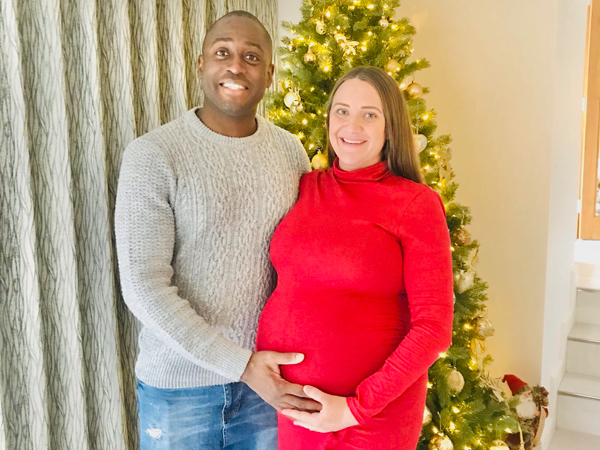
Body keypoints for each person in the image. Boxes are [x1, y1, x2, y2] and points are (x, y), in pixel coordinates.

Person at [115, 11, 319, 450]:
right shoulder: (153, 156)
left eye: (251, 56)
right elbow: (143, 288)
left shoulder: (290, 151)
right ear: (200, 64)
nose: (235, 66)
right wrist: (240, 364)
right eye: (222, 52)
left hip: (271, 386)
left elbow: (303, 264)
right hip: (180, 391)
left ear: (269, 74)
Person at [256, 66, 455, 450]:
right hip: (296, 408)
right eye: (342, 111)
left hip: (372, 418)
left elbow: (433, 327)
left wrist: (356, 408)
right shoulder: (304, 187)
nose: (352, 125)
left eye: (370, 114)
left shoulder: (415, 204)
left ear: (390, 127)